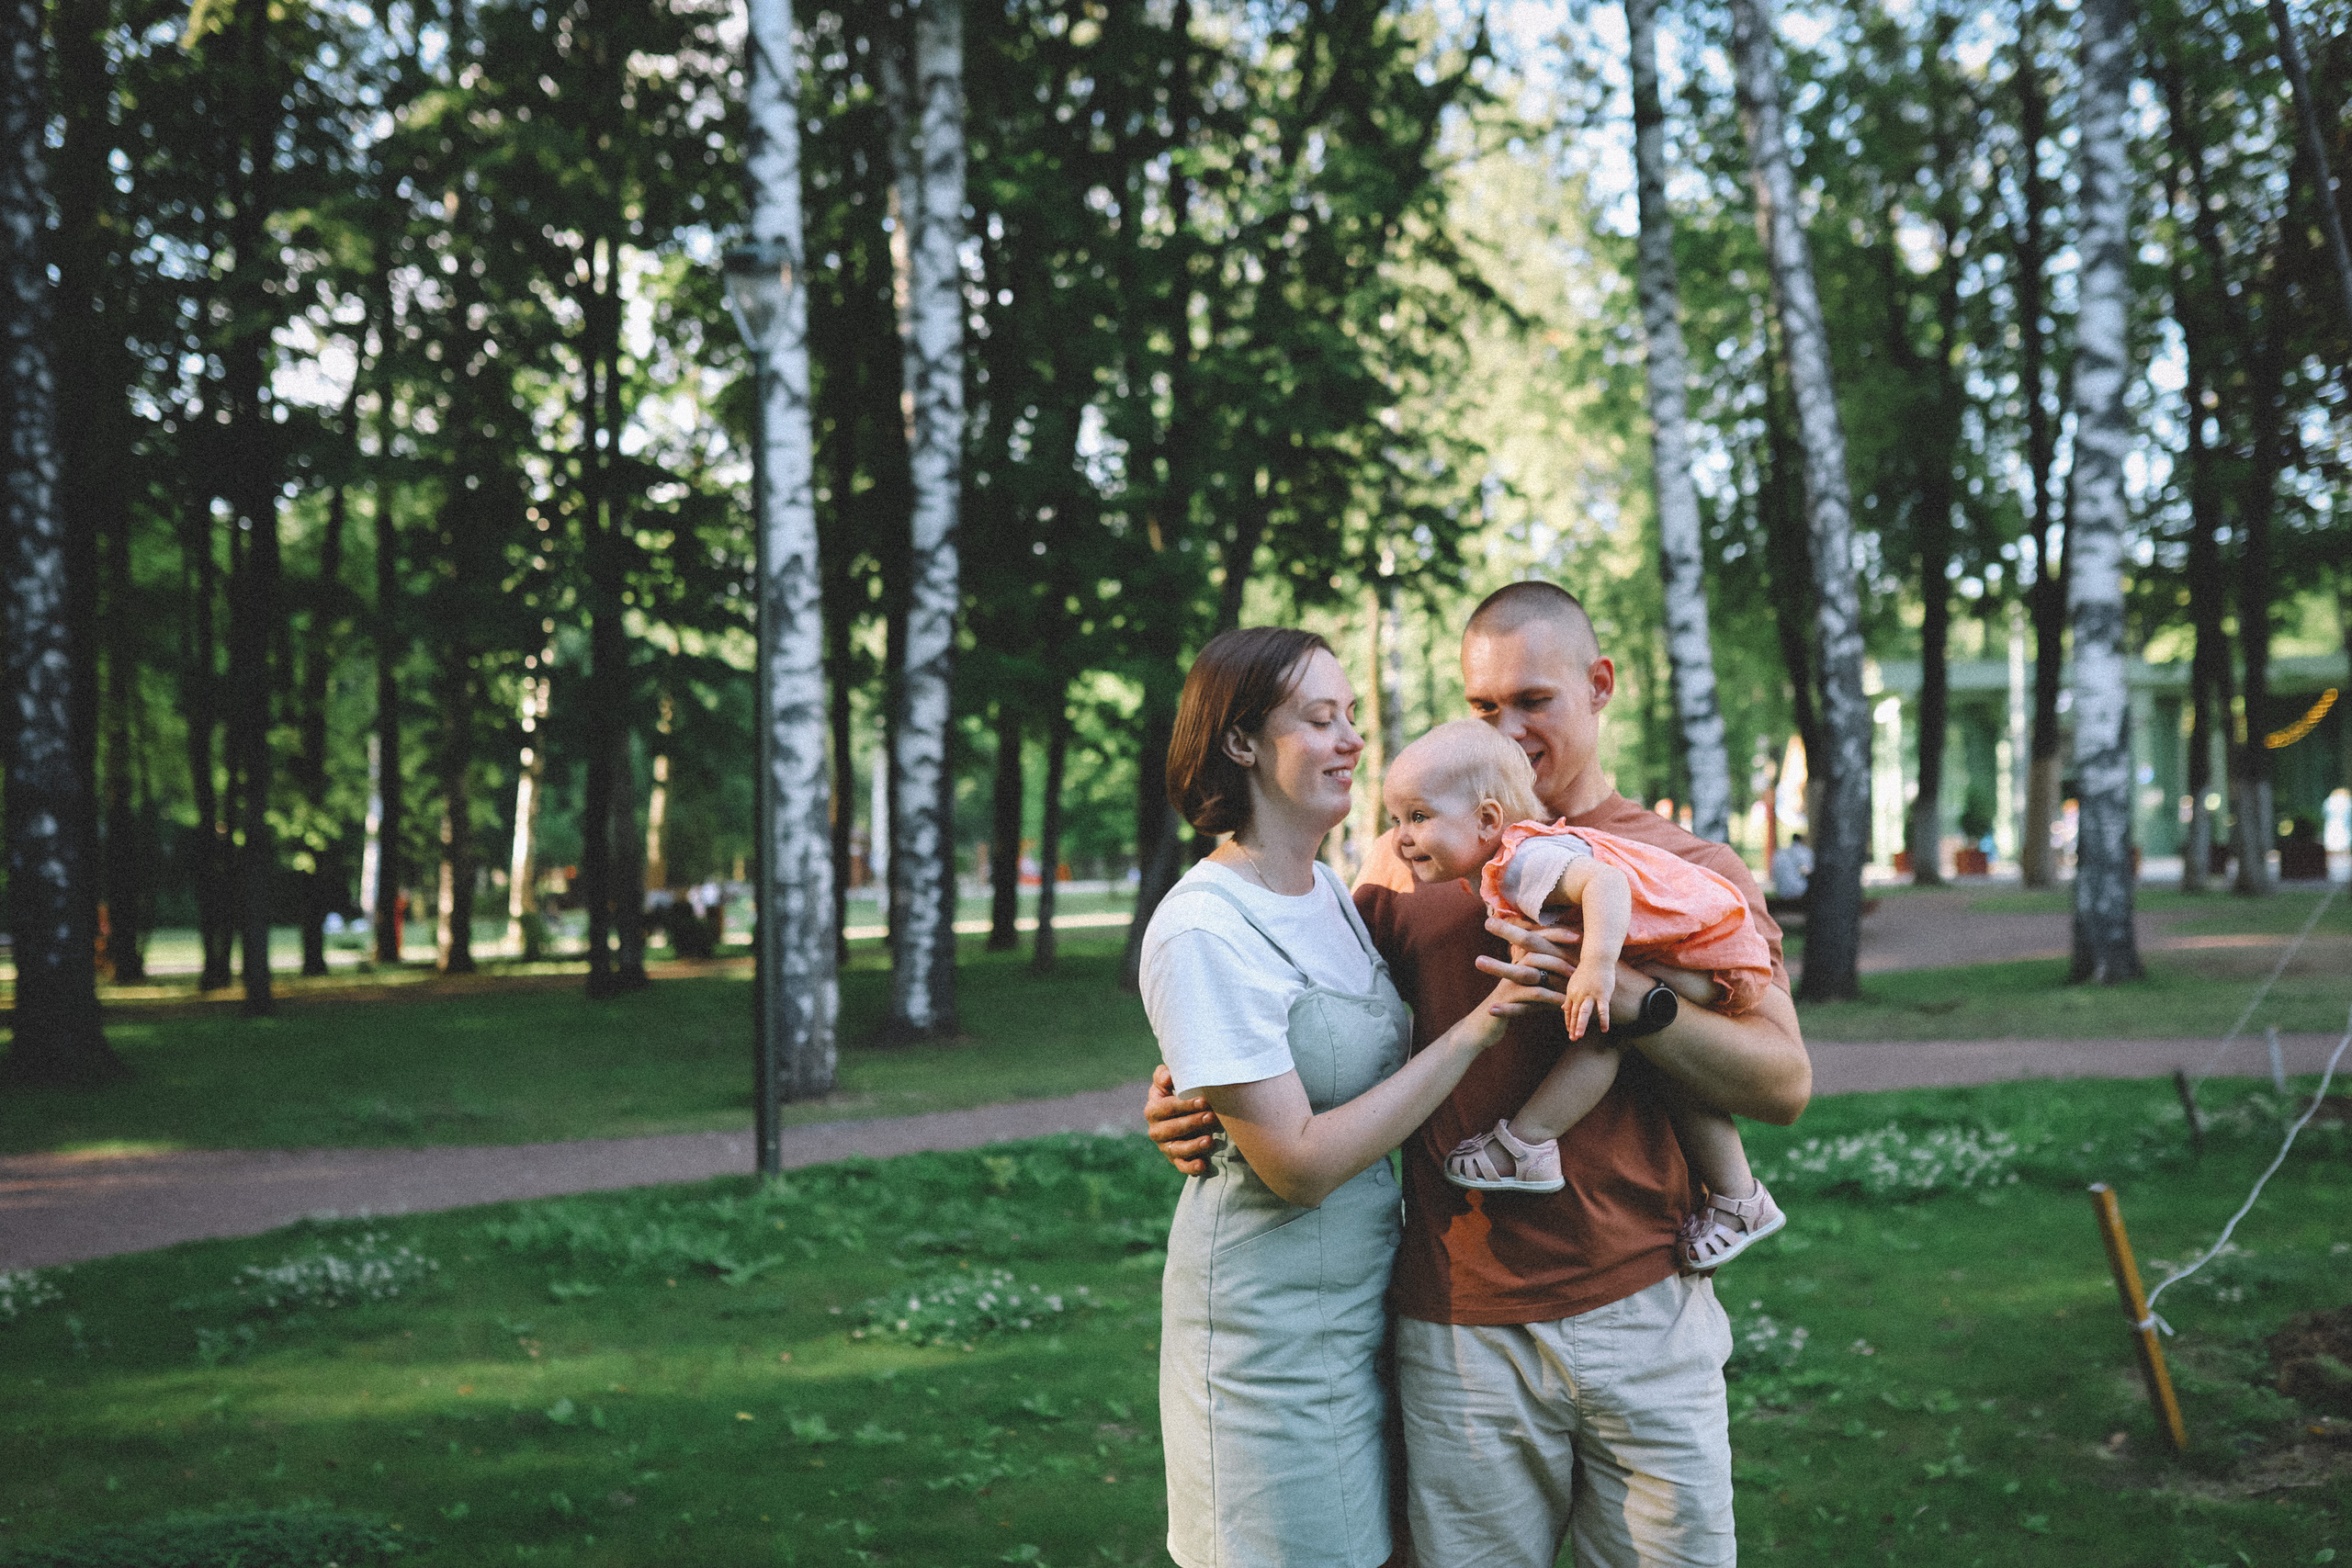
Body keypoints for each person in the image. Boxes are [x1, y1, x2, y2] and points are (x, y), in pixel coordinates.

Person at [1148, 580, 1812, 1568]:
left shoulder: (1684, 864)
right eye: (1484, 706)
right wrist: (1181, 1090)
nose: (1509, 726)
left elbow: (1781, 1084)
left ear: (1598, 685)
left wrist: (1636, 1001)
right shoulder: (1404, 861)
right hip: (1455, 1324)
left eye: (1533, 700)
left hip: (1646, 1311)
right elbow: (1302, 1014)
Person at [1141, 626, 1572, 1568]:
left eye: (1352, 719)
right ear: (1242, 742)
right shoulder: (1203, 926)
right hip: (1266, 1349)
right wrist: (1479, 1028)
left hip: (1368, 1318)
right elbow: (1296, 1165)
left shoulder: (1336, 893)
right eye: (1319, 719)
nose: (1351, 742)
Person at [1381, 719, 1785, 1270]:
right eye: (1396, 820)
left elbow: (1606, 884)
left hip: (1707, 949)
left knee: (1602, 1031)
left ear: (1487, 820)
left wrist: (1596, 969)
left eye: (1419, 818)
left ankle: (1530, 1143)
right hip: (1715, 947)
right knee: (1665, 1063)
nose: (1401, 836)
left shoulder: (1522, 858)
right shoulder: (1516, 856)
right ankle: (1740, 1199)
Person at [1771, 830, 1813, 901]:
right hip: (1799, 890)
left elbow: (1774, 872)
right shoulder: (1806, 852)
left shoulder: (1780, 853)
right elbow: (1807, 871)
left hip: (1782, 890)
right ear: (1802, 840)